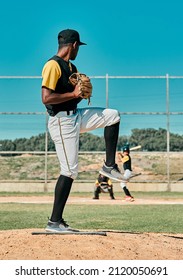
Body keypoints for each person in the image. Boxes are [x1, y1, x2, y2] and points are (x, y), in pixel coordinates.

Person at [41, 28, 124, 232]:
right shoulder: (52, 65)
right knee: (69, 170)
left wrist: (79, 95)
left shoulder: (72, 66)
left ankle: (109, 165)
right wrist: (74, 93)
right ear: (74, 45)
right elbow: (46, 98)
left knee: (113, 115)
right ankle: (54, 222)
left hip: (76, 115)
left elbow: (72, 95)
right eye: (79, 47)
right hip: (62, 122)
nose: (79, 51)